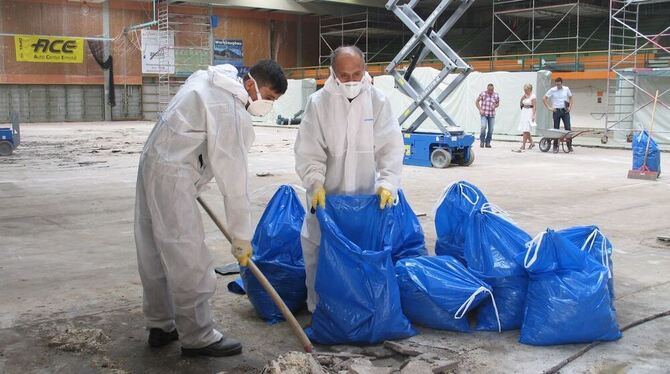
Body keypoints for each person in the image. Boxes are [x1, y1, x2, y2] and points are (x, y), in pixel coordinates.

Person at [134, 61, 287, 357]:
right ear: (250, 84)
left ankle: (161, 324)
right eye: (267, 97)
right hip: (173, 174)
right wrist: (242, 237)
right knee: (187, 254)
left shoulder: (212, 78)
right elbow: (235, 183)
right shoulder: (227, 110)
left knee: (153, 249)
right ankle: (198, 335)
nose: (267, 105)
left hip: (154, 160)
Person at [294, 45, 404, 313]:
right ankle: (320, 310)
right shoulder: (319, 103)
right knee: (319, 250)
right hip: (326, 198)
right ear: (332, 73)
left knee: (364, 254)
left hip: (367, 199)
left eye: (357, 73)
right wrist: (315, 183)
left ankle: (362, 311)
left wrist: (387, 183)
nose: (352, 81)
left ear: (365, 69)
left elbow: (390, 146)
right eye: (344, 75)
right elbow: (309, 149)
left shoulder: (378, 101)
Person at [543, 77, 574, 153]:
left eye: (559, 84)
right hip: (556, 111)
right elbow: (544, 98)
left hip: (565, 111)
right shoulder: (552, 90)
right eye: (557, 84)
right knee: (556, 129)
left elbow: (570, 97)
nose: (558, 86)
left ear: (561, 83)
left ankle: (569, 145)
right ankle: (555, 146)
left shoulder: (566, 89)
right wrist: (549, 108)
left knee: (568, 128)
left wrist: (570, 107)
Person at [475, 83, 500, 148]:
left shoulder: (496, 95)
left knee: (491, 129)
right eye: (489, 90)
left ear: (493, 89)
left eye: (491, 90)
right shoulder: (483, 94)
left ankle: (488, 142)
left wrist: (495, 106)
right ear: (487, 89)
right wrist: (480, 109)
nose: (490, 91)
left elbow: (497, 104)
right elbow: (477, 101)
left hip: (492, 114)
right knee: (483, 127)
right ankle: (482, 141)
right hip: (484, 113)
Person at [516, 84, 536, 152]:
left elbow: (534, 106)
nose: (525, 91)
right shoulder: (524, 96)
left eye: (526, 90)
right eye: (524, 90)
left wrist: (533, 115)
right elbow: (521, 103)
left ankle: (523, 145)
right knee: (526, 129)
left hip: (529, 112)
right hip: (524, 111)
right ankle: (532, 143)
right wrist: (522, 98)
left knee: (526, 130)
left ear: (530, 90)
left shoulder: (533, 96)